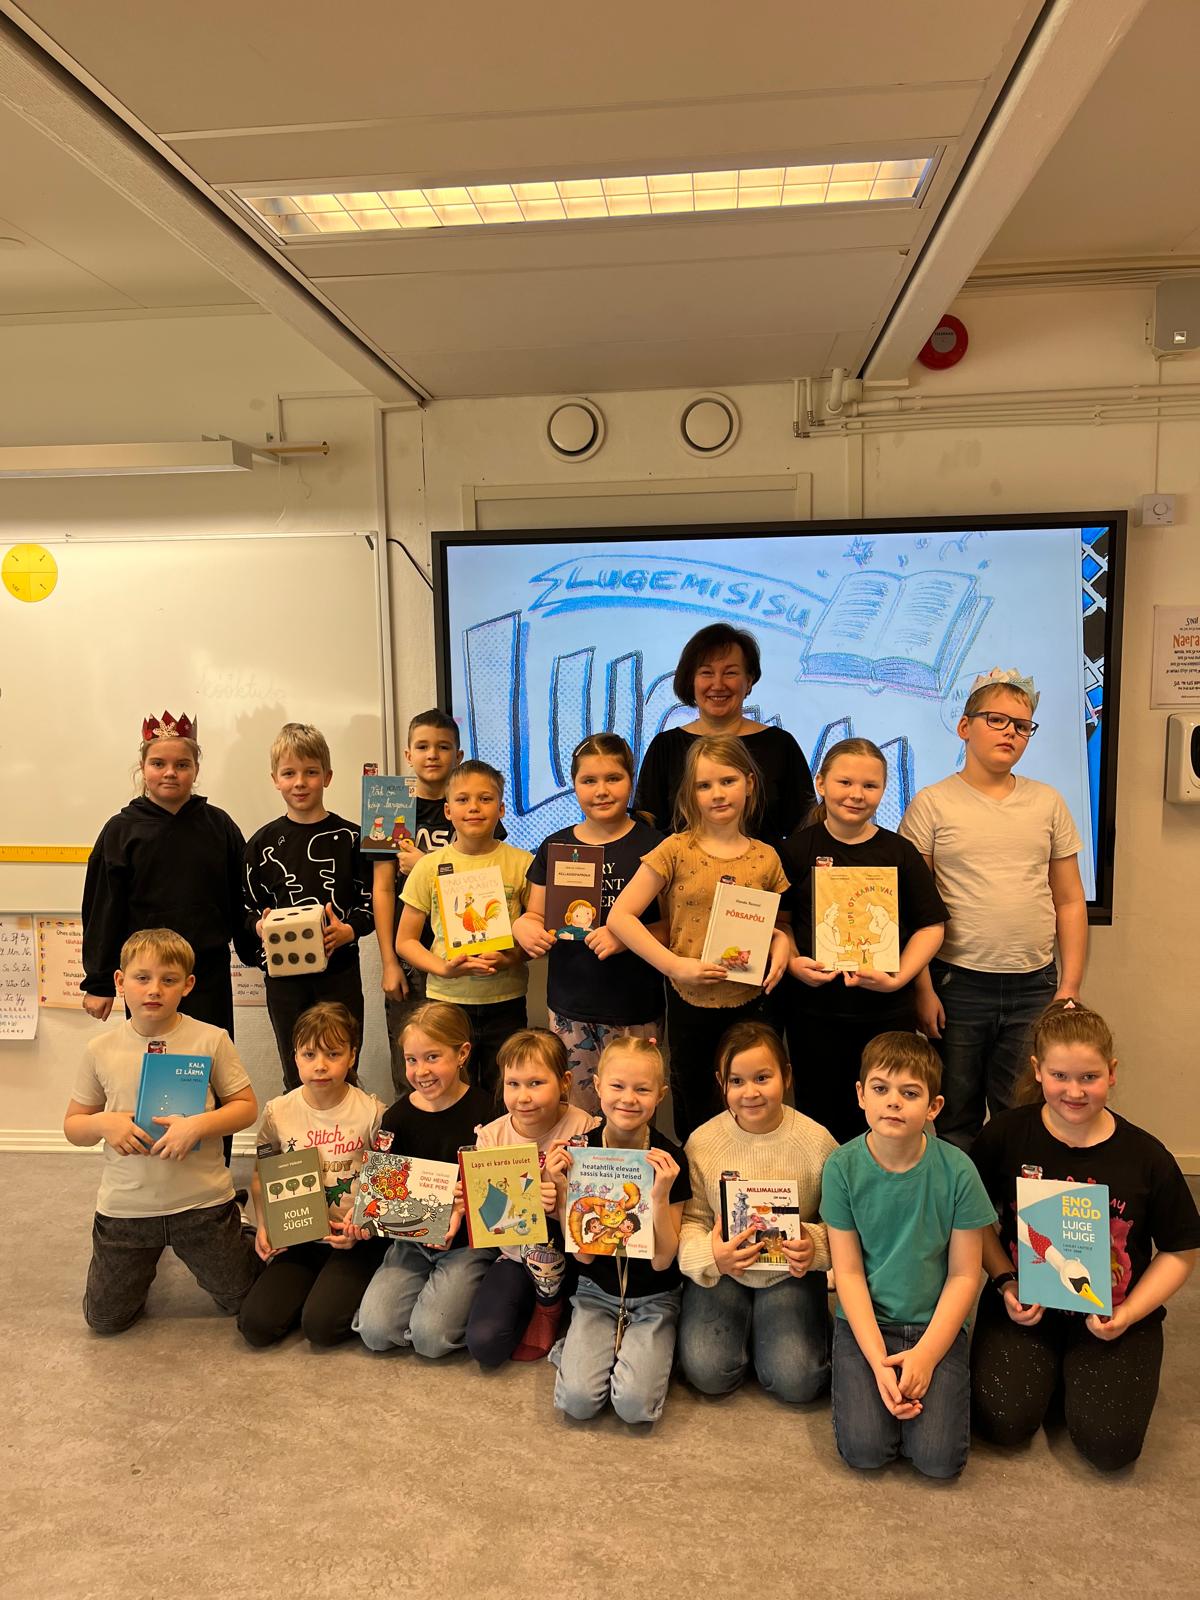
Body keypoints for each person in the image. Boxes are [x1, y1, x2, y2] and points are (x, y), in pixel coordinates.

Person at [970, 1000, 1200, 1471]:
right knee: (1002, 1422)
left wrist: (1128, 1314)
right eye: (1060, 1076)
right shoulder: (1006, 1135)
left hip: (1115, 1310)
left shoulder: (1146, 1156)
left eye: (1089, 1077)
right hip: (1024, 1303)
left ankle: (1073, 1374)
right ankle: (1055, 1373)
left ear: (1111, 1073)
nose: (1074, 1091)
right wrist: (1005, 1281)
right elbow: (971, 1219)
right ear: (1037, 1070)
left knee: (1109, 1446)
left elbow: (1180, 1250)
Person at [899, 667, 1088, 1148]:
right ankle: (962, 1199)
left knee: (1022, 1113)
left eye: (1021, 726)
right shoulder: (932, 804)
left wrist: (1068, 986)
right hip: (956, 985)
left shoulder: (1047, 803)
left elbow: (1069, 900)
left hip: (1034, 985)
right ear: (965, 726)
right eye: (997, 720)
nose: (1010, 733)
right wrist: (922, 989)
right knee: (954, 1115)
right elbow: (913, 909)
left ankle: (1012, 1200)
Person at [63, 928, 258, 1335]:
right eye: (142, 978)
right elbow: (74, 1127)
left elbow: (246, 1108)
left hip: (202, 1204)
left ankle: (238, 1226)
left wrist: (199, 1125)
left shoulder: (211, 1039)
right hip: (127, 1210)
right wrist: (102, 1123)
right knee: (105, 1321)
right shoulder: (100, 1050)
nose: (154, 989)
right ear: (120, 982)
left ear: (188, 985)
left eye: (169, 980)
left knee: (243, 1300)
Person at [820, 1032, 996, 1478]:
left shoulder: (959, 1171)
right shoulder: (841, 1167)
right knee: (865, 1451)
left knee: (939, 1460)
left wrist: (927, 1355)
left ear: (934, 1107)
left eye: (910, 1093)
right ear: (861, 1095)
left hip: (934, 1323)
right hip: (866, 1323)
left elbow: (964, 1276)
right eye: (880, 1089)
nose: (893, 1102)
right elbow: (848, 1273)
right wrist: (879, 1363)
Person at [608, 736, 791, 1143]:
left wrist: (780, 943)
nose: (717, 794)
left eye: (727, 781)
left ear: (749, 783)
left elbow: (775, 924)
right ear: (690, 793)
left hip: (753, 1003)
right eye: (704, 785)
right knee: (695, 1105)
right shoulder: (674, 849)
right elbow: (620, 917)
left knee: (752, 1103)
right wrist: (674, 966)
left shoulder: (766, 857)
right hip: (689, 1003)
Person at [780, 738, 947, 1144]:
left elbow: (930, 926)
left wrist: (900, 978)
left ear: (883, 791)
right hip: (814, 1016)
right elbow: (779, 922)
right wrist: (793, 962)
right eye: (845, 782)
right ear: (821, 783)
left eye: (870, 785)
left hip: (886, 1015)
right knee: (820, 1124)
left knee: (888, 1121)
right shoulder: (796, 850)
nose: (856, 794)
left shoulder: (899, 852)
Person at [677, 1022, 835, 1404]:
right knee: (707, 1372)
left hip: (790, 1273)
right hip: (724, 1270)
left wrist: (814, 1246)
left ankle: (779, 1332)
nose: (750, 1092)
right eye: (737, 1081)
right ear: (721, 1083)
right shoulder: (702, 1142)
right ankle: (751, 1334)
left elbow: (840, 1224)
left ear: (787, 1076)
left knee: (797, 1381)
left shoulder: (818, 1143)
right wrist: (711, 1255)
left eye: (763, 1078)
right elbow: (691, 1220)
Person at [514, 733, 665, 1116]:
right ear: (574, 784)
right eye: (589, 780)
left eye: (613, 778)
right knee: (578, 1119)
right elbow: (535, 915)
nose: (601, 790)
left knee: (630, 1114)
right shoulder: (556, 846)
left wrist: (626, 937)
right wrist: (523, 927)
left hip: (635, 1009)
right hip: (571, 1010)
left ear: (631, 780)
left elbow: (673, 928)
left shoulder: (657, 846)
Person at [81, 712, 259, 1036]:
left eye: (182, 765)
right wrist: (99, 982)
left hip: (207, 974)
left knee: (208, 1057)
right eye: (158, 763)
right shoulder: (121, 831)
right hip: (147, 976)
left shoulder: (219, 827)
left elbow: (242, 896)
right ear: (143, 767)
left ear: (196, 770)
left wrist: (259, 949)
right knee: (154, 1058)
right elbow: (103, 911)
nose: (170, 773)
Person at [544, 1037, 690, 1425]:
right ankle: (586, 1350)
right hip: (596, 1291)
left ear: (660, 1095)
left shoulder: (670, 1159)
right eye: (617, 1086)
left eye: (642, 1089)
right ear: (597, 1087)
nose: (628, 1099)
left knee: (634, 1406)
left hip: (656, 1296)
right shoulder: (580, 1152)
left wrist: (659, 1197)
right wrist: (561, 1187)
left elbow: (662, 1262)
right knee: (578, 1402)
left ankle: (648, 1352)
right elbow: (582, 1254)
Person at [238, 1003, 387, 1347]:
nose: (320, 1065)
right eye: (309, 1054)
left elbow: (386, 1184)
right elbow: (261, 1174)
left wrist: (361, 1226)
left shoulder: (372, 1112)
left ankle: (342, 1289)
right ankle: (312, 1290)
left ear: (352, 1056)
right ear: (295, 1057)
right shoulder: (279, 1111)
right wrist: (265, 1224)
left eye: (333, 1054)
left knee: (321, 1327)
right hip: (300, 1235)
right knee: (256, 1326)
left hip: (354, 1240)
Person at [354, 1002, 496, 1357]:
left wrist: (466, 1202)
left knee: (431, 1339)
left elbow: (502, 1194)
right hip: (410, 1242)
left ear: (462, 1053)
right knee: (375, 1331)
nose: (421, 1071)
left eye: (433, 1057)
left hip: (467, 1244)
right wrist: (366, 1214)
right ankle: (423, 1309)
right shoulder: (397, 1117)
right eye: (411, 1060)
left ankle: (444, 1309)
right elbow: (383, 1193)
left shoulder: (489, 1112)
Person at [243, 723, 374, 1090]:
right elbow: (245, 907)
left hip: (339, 973)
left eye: (311, 772)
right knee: (296, 1072)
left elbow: (372, 903)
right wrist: (259, 926)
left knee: (343, 1067)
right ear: (275, 779)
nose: (300, 782)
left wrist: (350, 930)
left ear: (327, 777)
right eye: (289, 773)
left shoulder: (353, 839)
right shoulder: (261, 844)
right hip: (284, 982)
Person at [396, 759, 532, 1098]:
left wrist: (511, 958)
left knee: (504, 1090)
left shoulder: (523, 864)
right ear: (448, 810)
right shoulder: (429, 866)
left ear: (501, 809)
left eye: (485, 799)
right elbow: (405, 941)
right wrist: (444, 968)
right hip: (447, 1000)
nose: (474, 807)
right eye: (462, 799)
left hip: (505, 999)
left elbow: (537, 935)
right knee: (450, 1092)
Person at [465, 1030, 597, 1366]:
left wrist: (560, 1196)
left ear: (564, 1082)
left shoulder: (584, 1128)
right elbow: (490, 1223)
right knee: (485, 1344)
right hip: (514, 1254)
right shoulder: (491, 1137)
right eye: (513, 1084)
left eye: (536, 1083)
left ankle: (550, 1307)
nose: (523, 1097)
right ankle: (539, 1298)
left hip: (576, 1254)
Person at [632, 622, 814, 846]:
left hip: (765, 869)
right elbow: (646, 830)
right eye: (706, 673)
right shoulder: (665, 747)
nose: (718, 684)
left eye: (730, 673)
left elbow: (805, 832)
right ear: (691, 680)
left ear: (749, 681)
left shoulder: (781, 745)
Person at [372, 709, 465, 1095]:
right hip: (409, 960)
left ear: (458, 756)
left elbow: (480, 880)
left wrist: (425, 865)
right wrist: (389, 962)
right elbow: (382, 888)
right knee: (410, 1064)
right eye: (423, 747)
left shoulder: (469, 805)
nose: (433, 755)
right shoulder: (389, 806)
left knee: (457, 1060)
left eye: (443, 747)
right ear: (408, 755)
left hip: (459, 954)